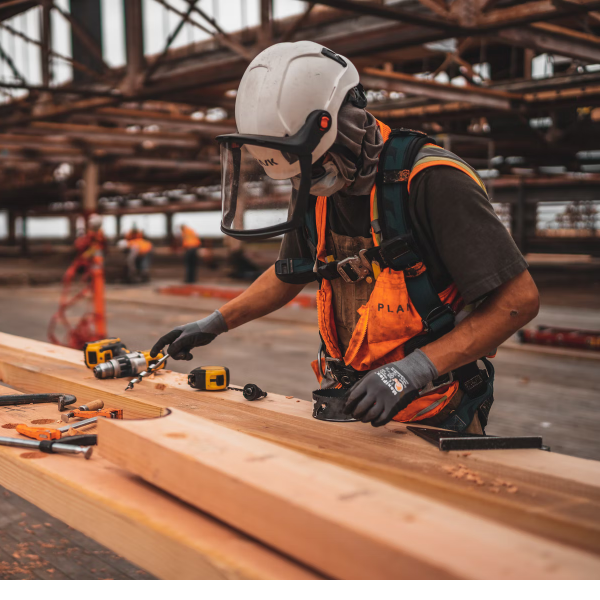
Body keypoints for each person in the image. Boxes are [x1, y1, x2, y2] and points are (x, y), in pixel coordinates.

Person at [150, 41, 539, 433]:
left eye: (315, 167)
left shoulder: (431, 180)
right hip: (348, 402)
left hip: (434, 408)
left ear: (344, 125)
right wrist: (215, 322)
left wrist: (413, 370)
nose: (309, 182)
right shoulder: (312, 186)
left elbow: (518, 301)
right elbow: (291, 273)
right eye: (301, 173)